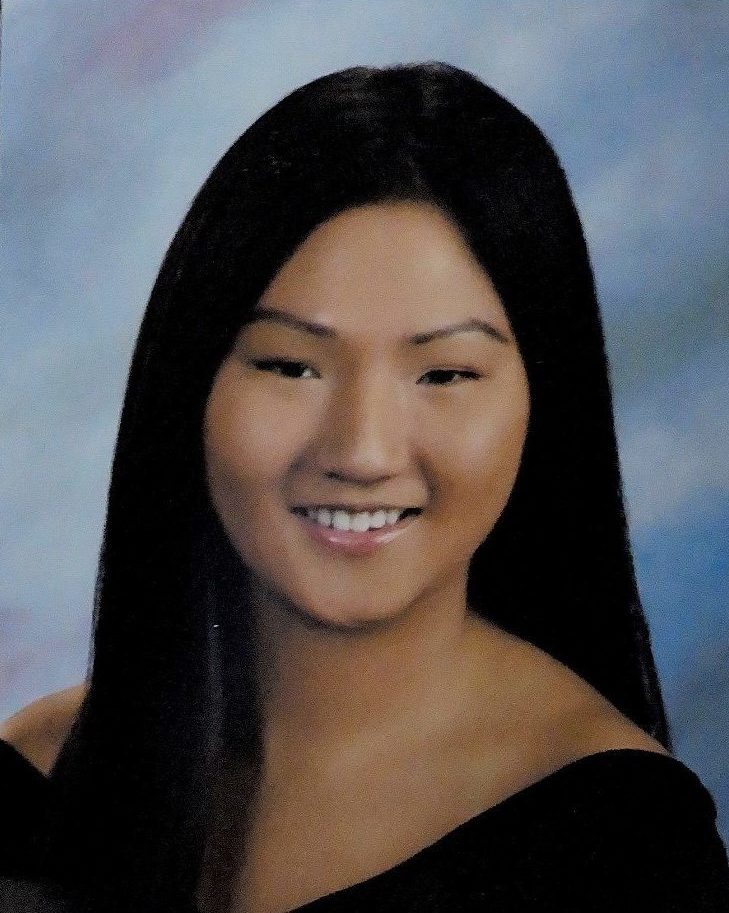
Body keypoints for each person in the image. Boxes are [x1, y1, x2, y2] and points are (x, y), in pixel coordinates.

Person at [1, 61, 728, 913]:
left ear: (544, 401)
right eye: (290, 365)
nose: (361, 448)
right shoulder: (36, 779)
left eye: (446, 373)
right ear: (189, 382)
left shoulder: (622, 853)